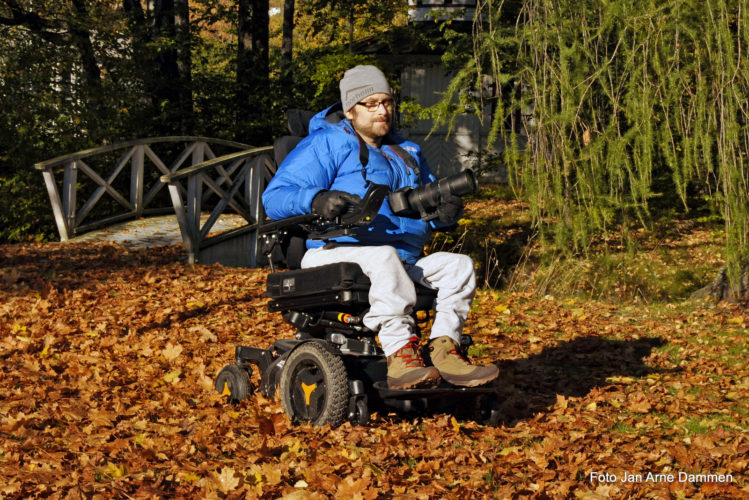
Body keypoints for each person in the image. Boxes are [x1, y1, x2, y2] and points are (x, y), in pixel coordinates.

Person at [262, 65, 499, 390]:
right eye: (370, 103)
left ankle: (444, 350)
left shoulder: (406, 152)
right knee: (385, 257)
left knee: (458, 266)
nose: (382, 110)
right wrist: (316, 199)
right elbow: (274, 197)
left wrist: (446, 212)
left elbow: (426, 209)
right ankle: (401, 355)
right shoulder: (326, 144)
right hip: (332, 254)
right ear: (349, 109)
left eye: (386, 102)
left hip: (399, 261)